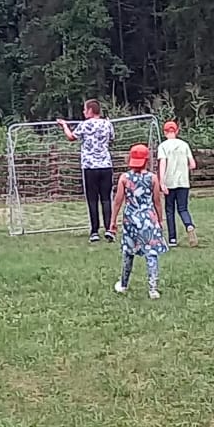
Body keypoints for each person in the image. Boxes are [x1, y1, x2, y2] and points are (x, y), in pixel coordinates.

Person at [111, 144, 166, 300]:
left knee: (128, 252)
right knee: (151, 254)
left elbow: (118, 201)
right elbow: (157, 202)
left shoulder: (124, 178)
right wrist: (160, 220)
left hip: (130, 220)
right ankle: (153, 289)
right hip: (149, 220)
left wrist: (112, 221)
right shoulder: (152, 178)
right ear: (147, 160)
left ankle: (123, 284)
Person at [57, 100, 115, 241]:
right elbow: (112, 138)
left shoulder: (84, 125)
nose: (83, 112)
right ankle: (109, 229)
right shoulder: (108, 124)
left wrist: (64, 125)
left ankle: (94, 231)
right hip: (106, 166)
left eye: (84, 109)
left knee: (92, 199)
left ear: (90, 110)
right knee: (106, 199)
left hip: (90, 167)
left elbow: (71, 137)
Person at [157, 120, 198, 247]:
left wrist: (161, 182)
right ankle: (189, 225)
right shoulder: (184, 145)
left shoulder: (163, 146)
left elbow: (163, 164)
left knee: (170, 210)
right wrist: (184, 168)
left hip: (169, 182)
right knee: (183, 208)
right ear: (177, 131)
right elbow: (193, 164)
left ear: (165, 132)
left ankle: (172, 239)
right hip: (183, 182)